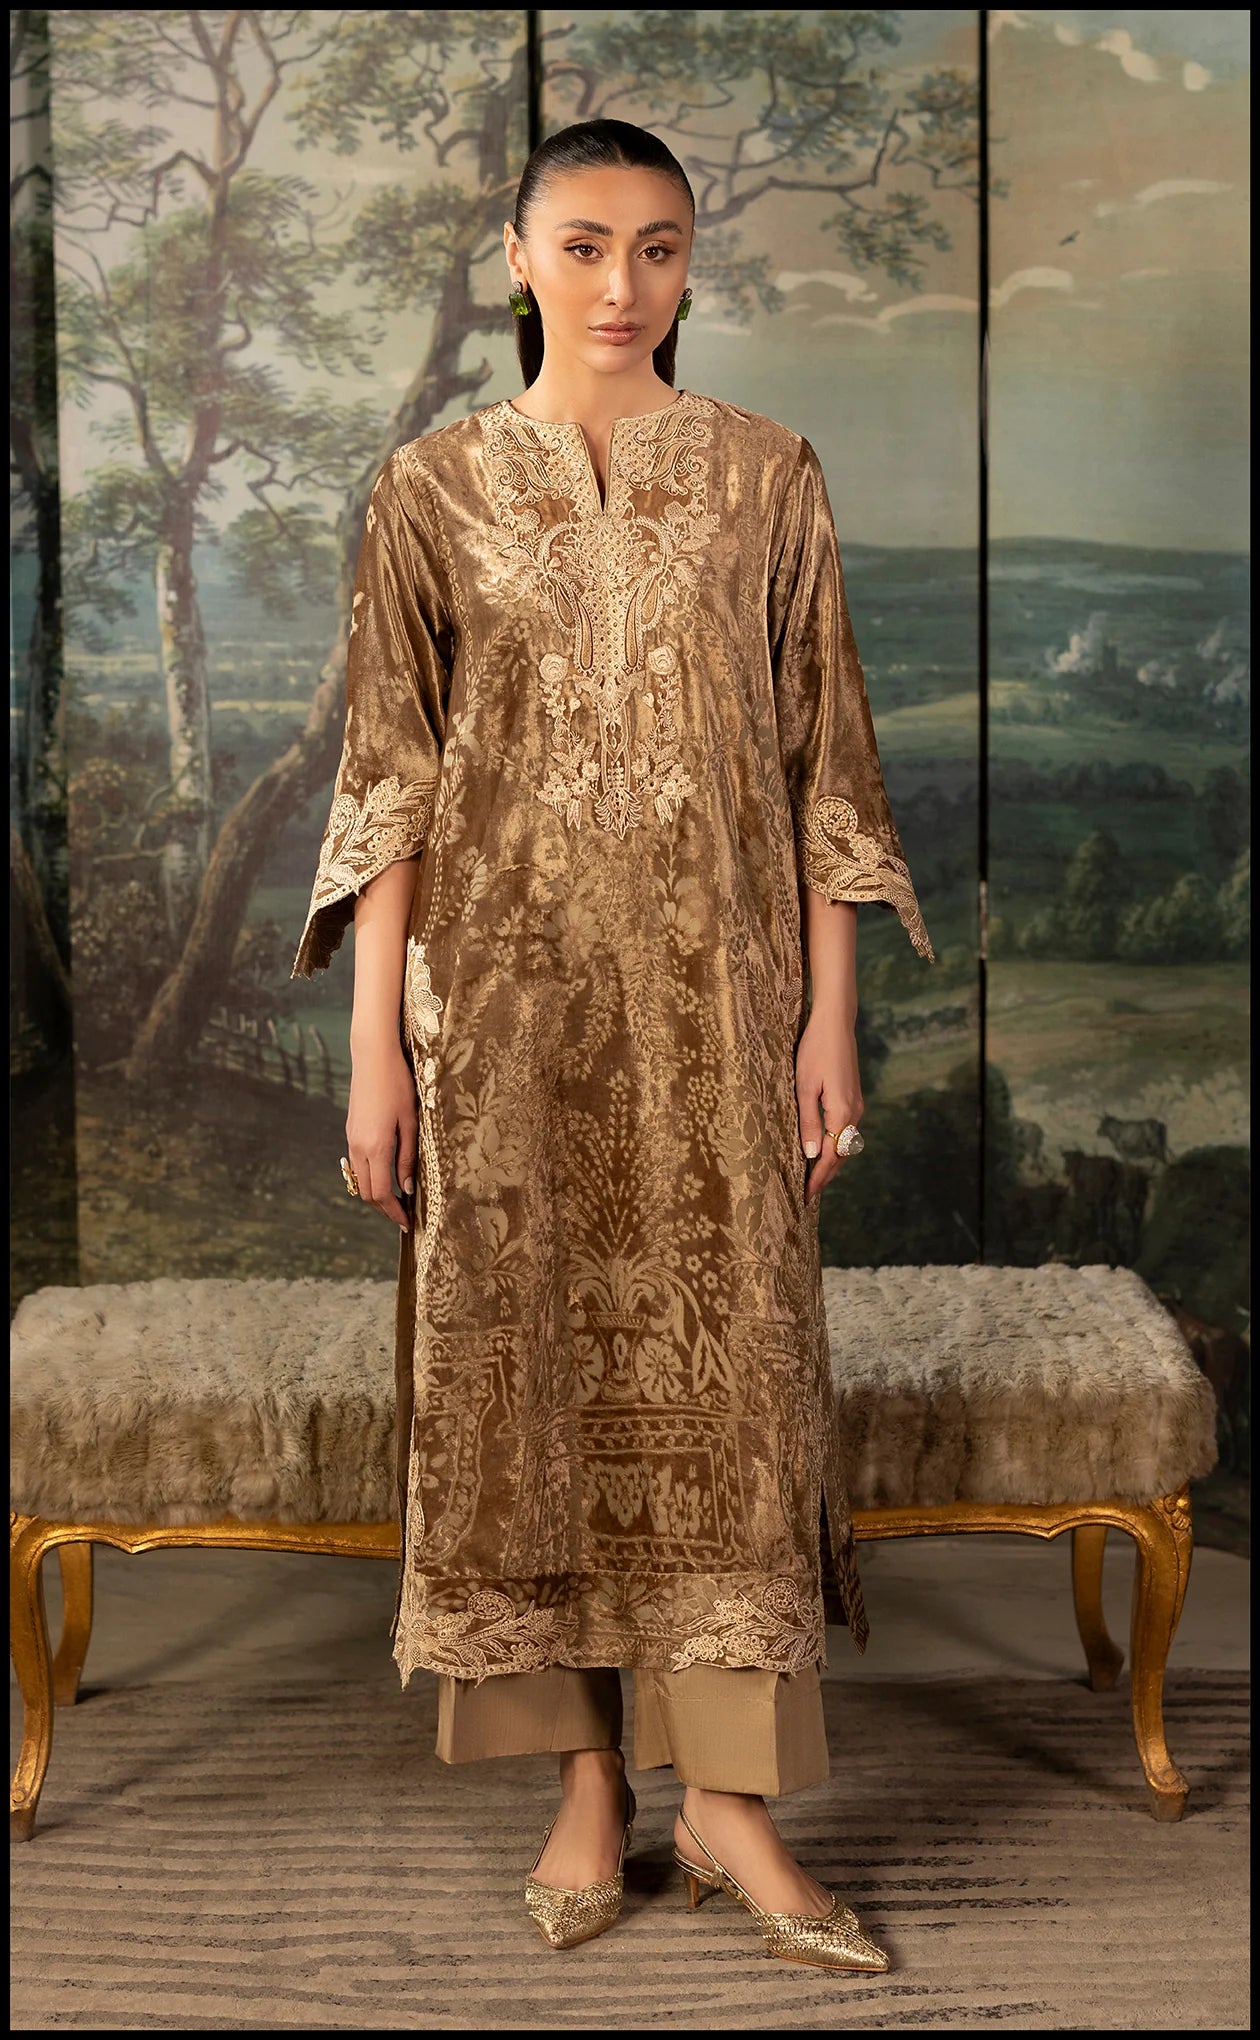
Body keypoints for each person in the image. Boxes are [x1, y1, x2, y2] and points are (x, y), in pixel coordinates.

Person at [293, 117, 933, 1970]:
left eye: (658, 247)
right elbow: (390, 789)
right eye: (582, 245)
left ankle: (729, 1804)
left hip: (721, 1015)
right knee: (522, 1390)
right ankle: (585, 1783)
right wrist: (376, 1055)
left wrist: (828, 1017)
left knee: (738, 1393)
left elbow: (827, 768)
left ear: (689, 263)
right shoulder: (426, 491)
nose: (622, 284)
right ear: (515, 256)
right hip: (496, 1023)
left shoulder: (766, 477)